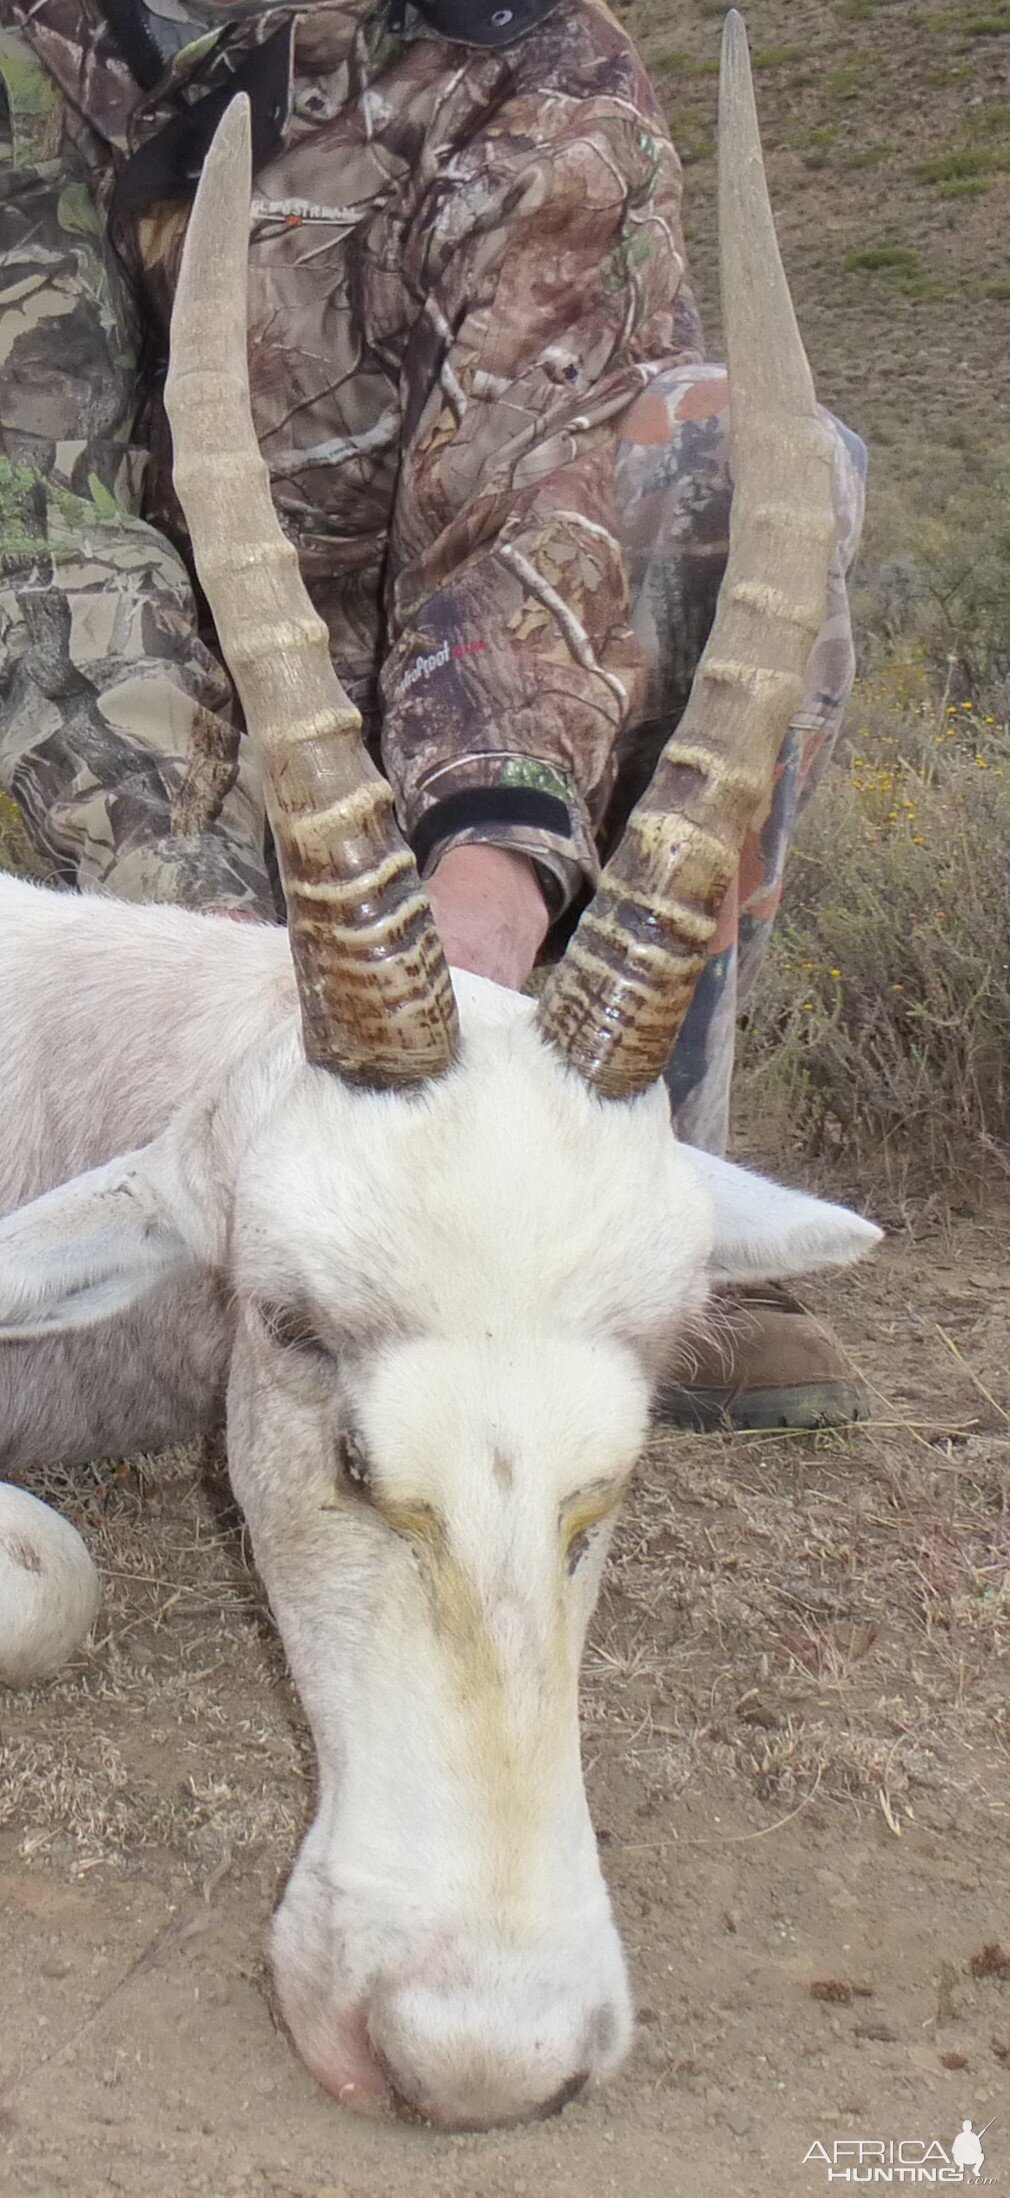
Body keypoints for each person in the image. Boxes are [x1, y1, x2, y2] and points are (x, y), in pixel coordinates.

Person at [0, 0, 867, 1424]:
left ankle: (632, 1219)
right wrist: (197, 916)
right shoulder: (27, 60)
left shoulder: (518, 52)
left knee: (735, 459)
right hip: (123, 774)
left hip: (442, 740)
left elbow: (542, 472)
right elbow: (46, 522)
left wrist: (489, 857)